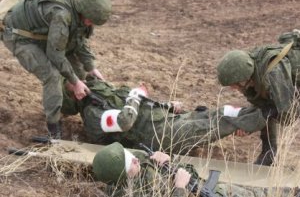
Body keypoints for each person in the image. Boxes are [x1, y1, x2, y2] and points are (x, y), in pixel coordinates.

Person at [92, 142, 300, 197]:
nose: (135, 161)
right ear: (122, 175)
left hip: (205, 188)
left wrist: (167, 161)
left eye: (131, 157)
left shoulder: (137, 165)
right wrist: (180, 188)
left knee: (260, 191)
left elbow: (184, 171)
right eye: (130, 164)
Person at [62, 76, 267, 155]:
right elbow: (125, 122)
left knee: (223, 112)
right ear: (75, 95)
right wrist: (136, 94)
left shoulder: (101, 95)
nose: (78, 77)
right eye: (73, 81)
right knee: (222, 121)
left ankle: (262, 110)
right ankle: (268, 114)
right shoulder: (92, 115)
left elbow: (139, 108)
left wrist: (167, 106)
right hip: (160, 137)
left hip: (165, 122)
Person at [0, 0, 112, 139]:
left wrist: (91, 68)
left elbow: (78, 41)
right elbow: (55, 55)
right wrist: (74, 81)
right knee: (52, 76)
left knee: (81, 75)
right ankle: (53, 128)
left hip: (42, 34)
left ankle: (63, 104)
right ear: (83, 11)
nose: (90, 23)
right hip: (19, 36)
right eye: (90, 20)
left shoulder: (79, 12)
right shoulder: (61, 15)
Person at [217, 30, 300, 165]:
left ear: (242, 77)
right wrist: (253, 121)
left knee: (271, 109)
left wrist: (257, 120)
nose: (233, 88)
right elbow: (262, 105)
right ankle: (269, 151)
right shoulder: (250, 69)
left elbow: (289, 114)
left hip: (291, 87)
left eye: (234, 84)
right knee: (266, 107)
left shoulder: (272, 72)